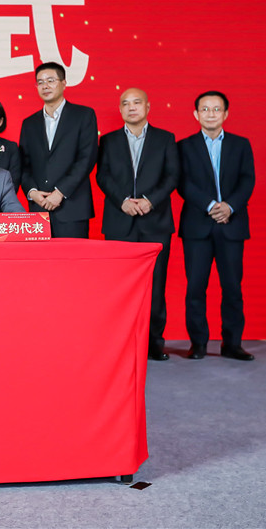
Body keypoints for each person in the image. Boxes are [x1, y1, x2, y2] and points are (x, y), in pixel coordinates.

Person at [96, 88, 180, 361]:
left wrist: (149, 201)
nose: (131, 107)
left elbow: (172, 176)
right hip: (119, 221)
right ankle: (120, 344)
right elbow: (103, 176)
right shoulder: (108, 141)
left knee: (155, 285)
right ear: (120, 109)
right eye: (125, 103)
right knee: (118, 287)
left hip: (155, 222)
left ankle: (154, 343)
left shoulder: (165, 139)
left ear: (148, 106)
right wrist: (122, 201)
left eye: (136, 102)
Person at [178, 91, 256, 361]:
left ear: (226, 114)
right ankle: (198, 344)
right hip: (197, 225)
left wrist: (229, 206)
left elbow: (247, 180)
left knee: (232, 287)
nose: (210, 114)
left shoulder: (241, 144)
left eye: (216, 109)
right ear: (196, 114)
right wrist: (211, 205)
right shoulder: (183, 146)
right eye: (205, 109)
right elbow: (182, 182)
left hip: (231, 224)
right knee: (195, 288)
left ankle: (232, 344)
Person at [18, 62, 98, 238]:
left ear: (64, 83)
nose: (45, 86)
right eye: (40, 82)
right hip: (39, 208)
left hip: (72, 207)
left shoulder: (84, 115)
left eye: (51, 80)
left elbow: (87, 158)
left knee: (73, 256)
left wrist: (60, 192)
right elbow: (23, 163)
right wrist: (32, 192)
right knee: (39, 256)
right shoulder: (29, 123)